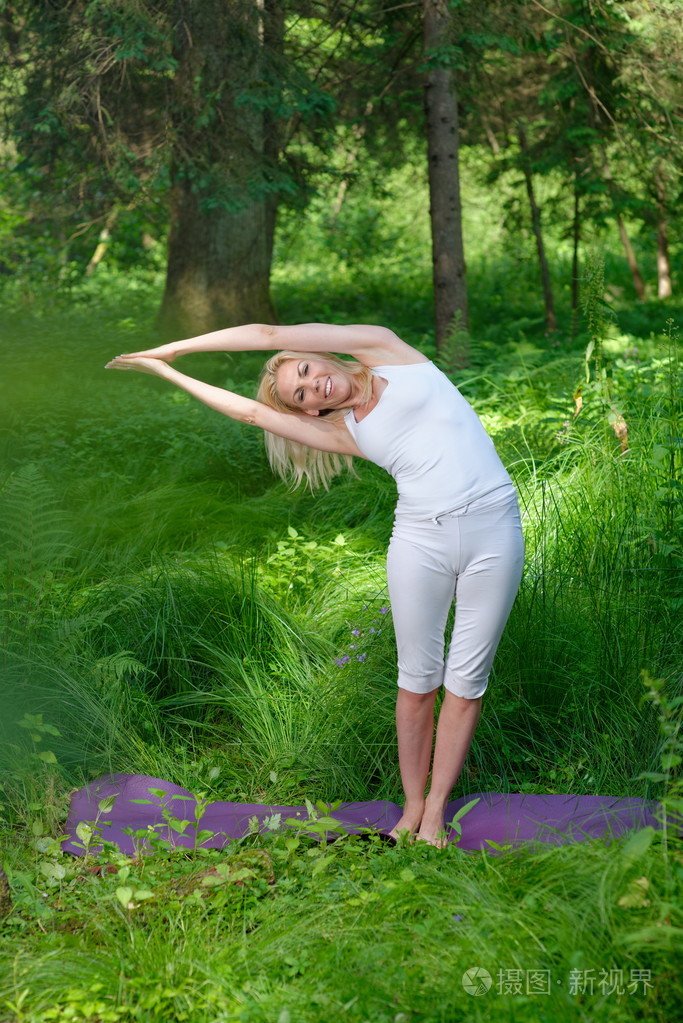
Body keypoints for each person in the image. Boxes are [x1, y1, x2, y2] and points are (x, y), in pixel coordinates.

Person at [106, 322, 524, 846]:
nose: (312, 386)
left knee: (466, 680)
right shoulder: (343, 431)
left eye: (305, 371)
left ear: (316, 355)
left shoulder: (388, 350)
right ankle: (411, 809)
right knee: (417, 680)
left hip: (494, 529)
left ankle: (436, 813)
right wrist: (163, 371)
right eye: (299, 395)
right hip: (420, 541)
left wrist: (178, 343)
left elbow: (266, 331)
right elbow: (249, 412)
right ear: (307, 412)